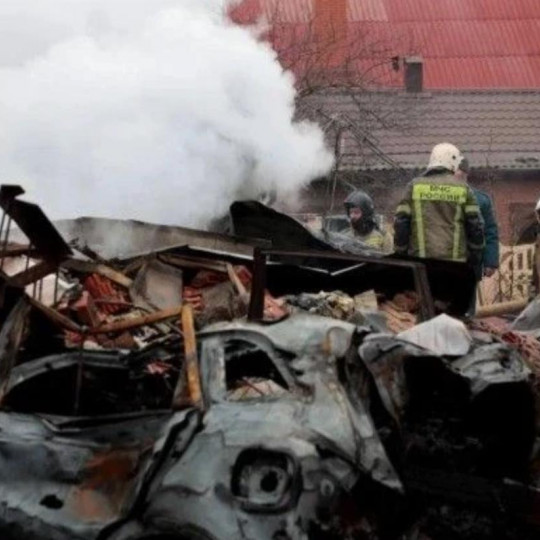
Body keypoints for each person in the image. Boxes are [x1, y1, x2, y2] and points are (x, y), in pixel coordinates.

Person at [393, 142, 484, 267]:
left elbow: (401, 222)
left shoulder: (414, 186)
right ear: (452, 161)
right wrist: (475, 256)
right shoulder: (464, 189)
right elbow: (475, 225)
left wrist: (400, 252)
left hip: (420, 264)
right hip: (455, 266)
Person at [472, 188, 499, 278]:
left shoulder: (480, 200)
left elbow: (489, 231)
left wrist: (490, 262)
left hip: (470, 264)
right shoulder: (480, 199)